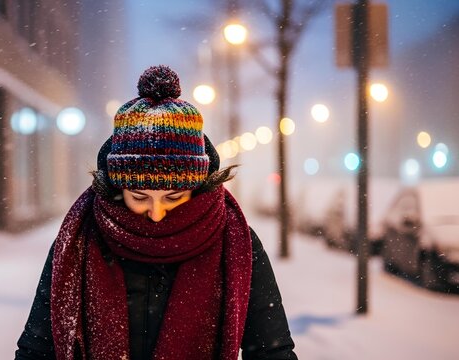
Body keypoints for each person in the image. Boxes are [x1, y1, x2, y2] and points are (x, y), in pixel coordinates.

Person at [15, 65, 298, 360]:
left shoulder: (235, 240)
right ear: (117, 186)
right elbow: (38, 349)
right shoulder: (81, 238)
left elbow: (271, 350)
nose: (157, 212)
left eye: (173, 197)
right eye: (139, 196)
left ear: (197, 185)